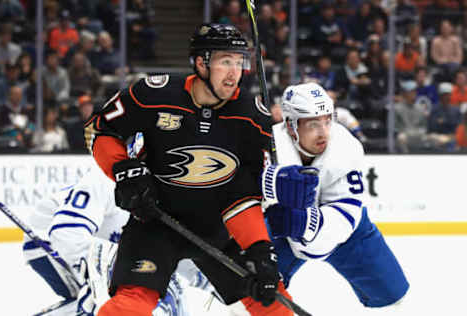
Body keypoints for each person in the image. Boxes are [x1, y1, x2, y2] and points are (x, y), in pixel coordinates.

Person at [85, 23, 292, 316]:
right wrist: (123, 169)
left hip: (220, 228)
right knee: (130, 305)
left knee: (274, 303)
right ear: (200, 63)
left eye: (239, 62)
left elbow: (244, 195)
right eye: (225, 62)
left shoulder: (252, 117)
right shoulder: (153, 94)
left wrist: (260, 249)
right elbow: (98, 130)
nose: (235, 72)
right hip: (157, 221)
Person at [260, 82, 410, 309]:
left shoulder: (346, 148)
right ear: (290, 126)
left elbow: (344, 217)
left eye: (327, 120)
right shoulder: (268, 145)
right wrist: (268, 184)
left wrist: (305, 223)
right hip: (281, 231)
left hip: (346, 234)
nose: (324, 132)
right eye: (312, 124)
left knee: (393, 297)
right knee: (249, 293)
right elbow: (238, 193)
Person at [22, 160, 198, 316]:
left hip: (102, 247)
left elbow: (181, 262)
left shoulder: (173, 199)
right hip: (47, 239)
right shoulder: (107, 179)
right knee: (99, 299)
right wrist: (102, 277)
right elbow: (66, 233)